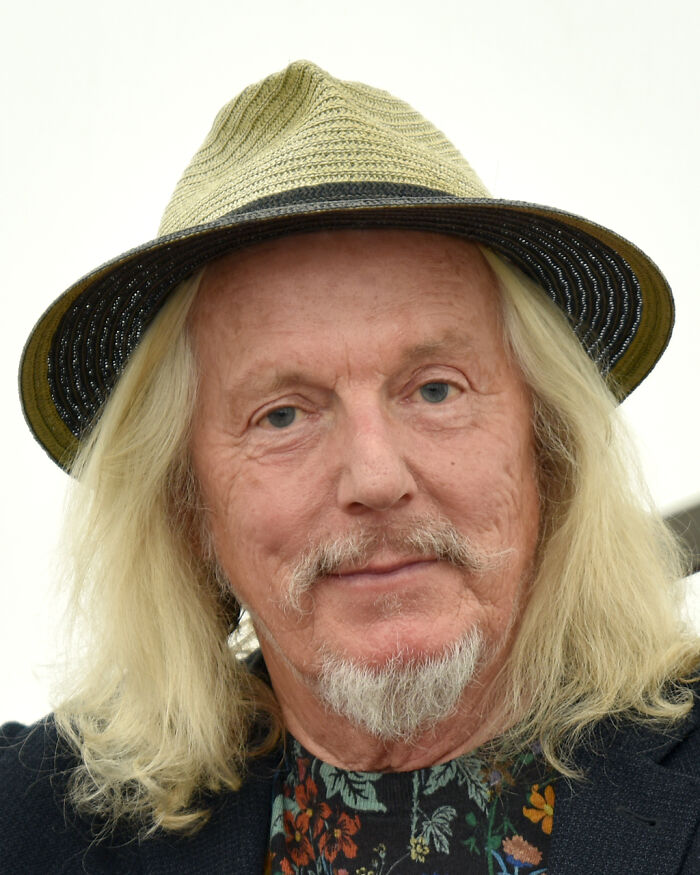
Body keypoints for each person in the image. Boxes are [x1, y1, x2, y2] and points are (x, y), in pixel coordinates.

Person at [2, 60, 699, 874]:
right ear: (189, 506)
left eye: (435, 389)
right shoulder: (34, 827)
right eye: (284, 414)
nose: (374, 477)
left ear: (546, 448)